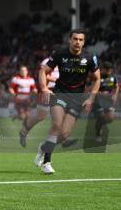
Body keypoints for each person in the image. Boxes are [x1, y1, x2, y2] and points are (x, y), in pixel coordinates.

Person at [35, 28, 100, 174]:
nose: (77, 42)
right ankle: (46, 162)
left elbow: (97, 79)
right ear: (69, 40)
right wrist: (44, 88)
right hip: (59, 94)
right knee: (57, 124)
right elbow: (42, 71)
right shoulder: (59, 54)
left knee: (64, 135)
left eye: (80, 40)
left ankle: (44, 147)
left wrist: (91, 98)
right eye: (75, 39)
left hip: (77, 98)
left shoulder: (90, 57)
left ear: (84, 42)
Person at [19, 56, 59, 147]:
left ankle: (64, 138)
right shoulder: (47, 61)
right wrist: (57, 80)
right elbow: (44, 75)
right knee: (41, 116)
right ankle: (23, 132)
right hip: (47, 90)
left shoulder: (65, 62)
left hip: (58, 91)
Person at [94, 61, 118, 142]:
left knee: (110, 118)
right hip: (98, 102)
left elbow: (116, 86)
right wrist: (100, 93)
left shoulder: (112, 78)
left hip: (108, 102)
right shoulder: (98, 78)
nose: (109, 72)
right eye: (107, 70)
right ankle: (98, 134)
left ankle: (99, 124)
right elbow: (90, 89)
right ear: (103, 69)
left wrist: (115, 95)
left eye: (110, 70)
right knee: (101, 116)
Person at [9, 66, 37, 130]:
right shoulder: (16, 79)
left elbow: (34, 88)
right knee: (22, 117)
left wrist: (35, 91)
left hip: (27, 99)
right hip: (19, 99)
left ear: (27, 71)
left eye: (24, 70)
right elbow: (10, 88)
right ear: (19, 72)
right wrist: (14, 95)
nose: (23, 72)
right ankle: (16, 116)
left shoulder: (31, 80)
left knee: (28, 116)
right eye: (22, 71)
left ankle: (24, 130)